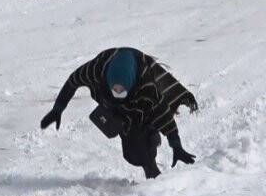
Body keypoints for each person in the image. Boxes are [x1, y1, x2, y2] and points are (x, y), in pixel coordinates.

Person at [40, 47, 198, 180]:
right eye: (115, 89)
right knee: (130, 152)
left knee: (140, 137)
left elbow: (163, 114)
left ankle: (151, 159)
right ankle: (143, 149)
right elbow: (72, 81)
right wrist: (57, 109)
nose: (117, 92)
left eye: (121, 90)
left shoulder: (147, 86)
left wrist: (176, 146)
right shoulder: (97, 70)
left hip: (139, 96)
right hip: (114, 98)